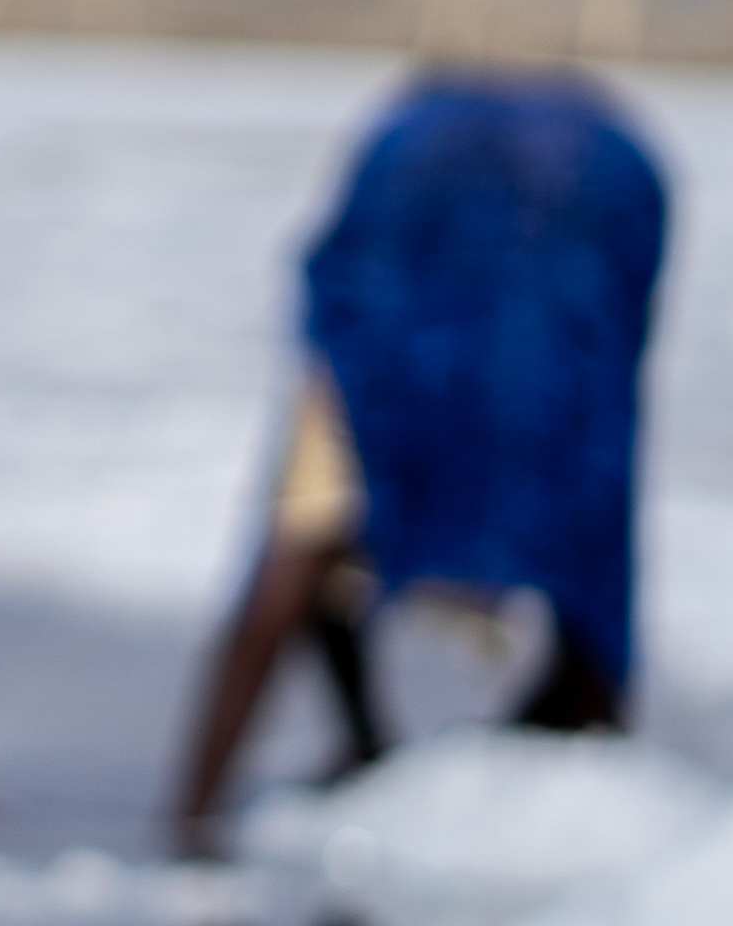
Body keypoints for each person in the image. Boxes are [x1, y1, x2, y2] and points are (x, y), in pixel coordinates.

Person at [166, 67, 668, 850]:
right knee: (576, 533)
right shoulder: (595, 163)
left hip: (431, 314)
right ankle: (559, 777)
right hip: (555, 303)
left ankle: (203, 805)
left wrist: (191, 810)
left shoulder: (416, 154)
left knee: (311, 528)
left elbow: (339, 282)